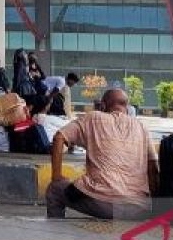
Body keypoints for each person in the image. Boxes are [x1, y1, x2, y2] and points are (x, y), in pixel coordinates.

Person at [46, 88, 156, 220]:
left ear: (103, 105)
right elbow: (153, 167)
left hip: (105, 203)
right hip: (138, 208)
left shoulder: (93, 118)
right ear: (127, 107)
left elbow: (59, 137)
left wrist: (56, 176)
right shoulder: (141, 127)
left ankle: (55, 235)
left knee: (55, 189)